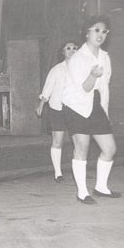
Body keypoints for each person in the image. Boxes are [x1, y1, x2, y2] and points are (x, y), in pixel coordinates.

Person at [62, 16, 121, 204]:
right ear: (86, 32)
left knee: (110, 148)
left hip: (95, 104)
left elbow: (105, 88)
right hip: (76, 105)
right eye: (96, 30)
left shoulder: (105, 57)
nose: (100, 34)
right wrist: (93, 75)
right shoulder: (78, 58)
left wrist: (105, 111)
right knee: (82, 147)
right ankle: (82, 192)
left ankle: (101, 187)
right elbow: (85, 88)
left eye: (104, 31)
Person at [36, 40, 79, 183]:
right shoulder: (56, 70)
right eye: (68, 48)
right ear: (62, 52)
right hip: (57, 108)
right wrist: (41, 104)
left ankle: (78, 171)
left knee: (79, 142)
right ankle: (58, 173)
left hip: (75, 109)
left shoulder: (82, 70)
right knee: (58, 141)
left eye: (74, 48)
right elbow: (47, 88)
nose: (71, 51)